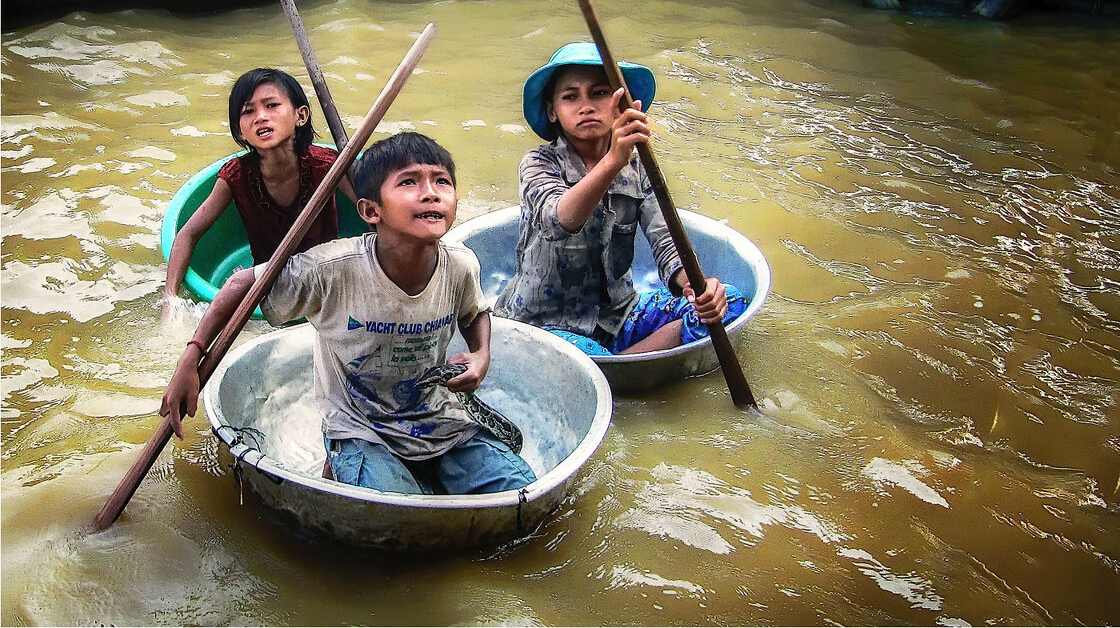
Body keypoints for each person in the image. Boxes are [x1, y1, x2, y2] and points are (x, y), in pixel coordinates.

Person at [160, 132, 536, 496]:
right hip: (359, 424)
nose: (430, 192)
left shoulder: (460, 264)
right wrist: (191, 358)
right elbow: (241, 285)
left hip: (434, 415)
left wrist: (481, 355)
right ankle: (340, 463)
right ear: (371, 210)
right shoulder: (333, 269)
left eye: (442, 181)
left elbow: (474, 312)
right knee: (395, 512)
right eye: (409, 182)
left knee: (521, 490)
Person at [493, 42, 746, 356]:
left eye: (599, 93)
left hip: (619, 316)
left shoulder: (638, 164)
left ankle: (622, 365)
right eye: (570, 97)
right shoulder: (539, 163)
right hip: (545, 325)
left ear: (620, 104)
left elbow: (666, 239)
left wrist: (694, 288)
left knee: (729, 300)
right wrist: (612, 160)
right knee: (581, 355)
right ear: (551, 111)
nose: (585, 106)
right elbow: (559, 220)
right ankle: (619, 370)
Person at [162, 68, 357, 311]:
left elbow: (374, 213)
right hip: (270, 285)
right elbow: (186, 235)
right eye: (248, 111)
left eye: (272, 105)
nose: (260, 117)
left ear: (301, 115)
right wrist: (170, 299)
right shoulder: (235, 176)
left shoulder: (330, 166)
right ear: (240, 131)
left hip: (327, 278)